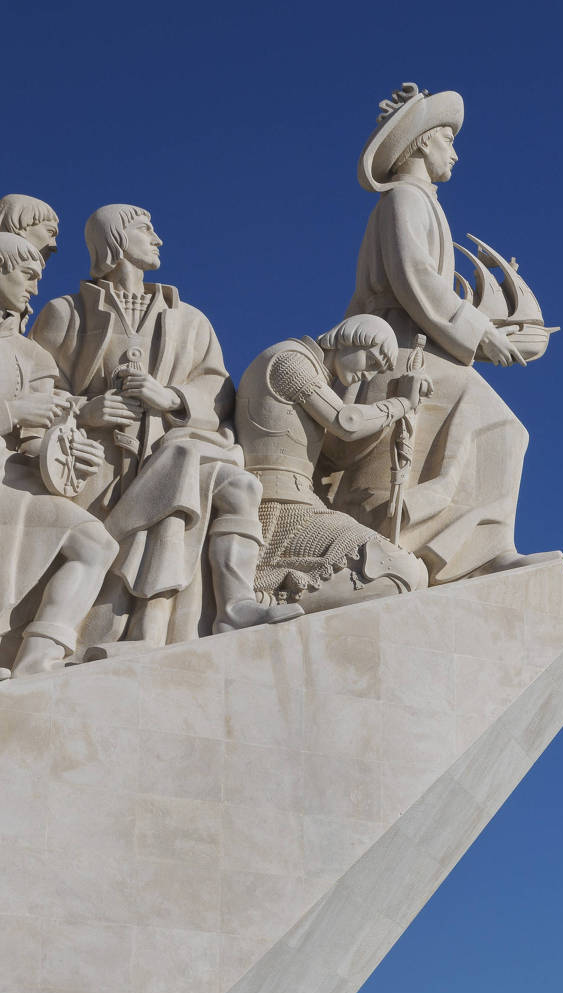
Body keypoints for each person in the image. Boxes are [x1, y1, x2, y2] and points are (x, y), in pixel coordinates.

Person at [31, 205, 298, 645]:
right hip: (98, 466)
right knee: (110, 546)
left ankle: (234, 606)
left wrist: (171, 397)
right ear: (115, 239)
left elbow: (217, 390)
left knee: (239, 486)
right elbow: (39, 390)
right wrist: (85, 411)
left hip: (172, 450)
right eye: (145, 229)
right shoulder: (66, 313)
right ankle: (113, 634)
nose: (158, 239)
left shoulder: (189, 320)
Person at [346, 84, 551, 582]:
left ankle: (480, 545)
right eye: (448, 142)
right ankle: (476, 551)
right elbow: (415, 277)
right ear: (422, 143)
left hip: (425, 343)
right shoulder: (403, 201)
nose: (455, 154)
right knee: (500, 424)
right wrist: (479, 333)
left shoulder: (421, 202)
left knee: (502, 428)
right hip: (398, 349)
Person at [232, 315, 429, 612]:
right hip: (278, 507)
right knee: (400, 571)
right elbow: (345, 421)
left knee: (410, 574)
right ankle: (270, 600)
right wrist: (402, 404)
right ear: (352, 338)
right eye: (372, 361)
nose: (368, 374)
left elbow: (339, 446)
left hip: (300, 502)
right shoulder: (290, 360)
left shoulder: (315, 373)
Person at [0, 231, 112, 676]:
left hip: (14, 482)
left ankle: (36, 663)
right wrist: (11, 410)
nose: (34, 288)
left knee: (94, 543)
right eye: (26, 275)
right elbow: (20, 416)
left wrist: (70, 455)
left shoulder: (31, 355)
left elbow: (35, 442)